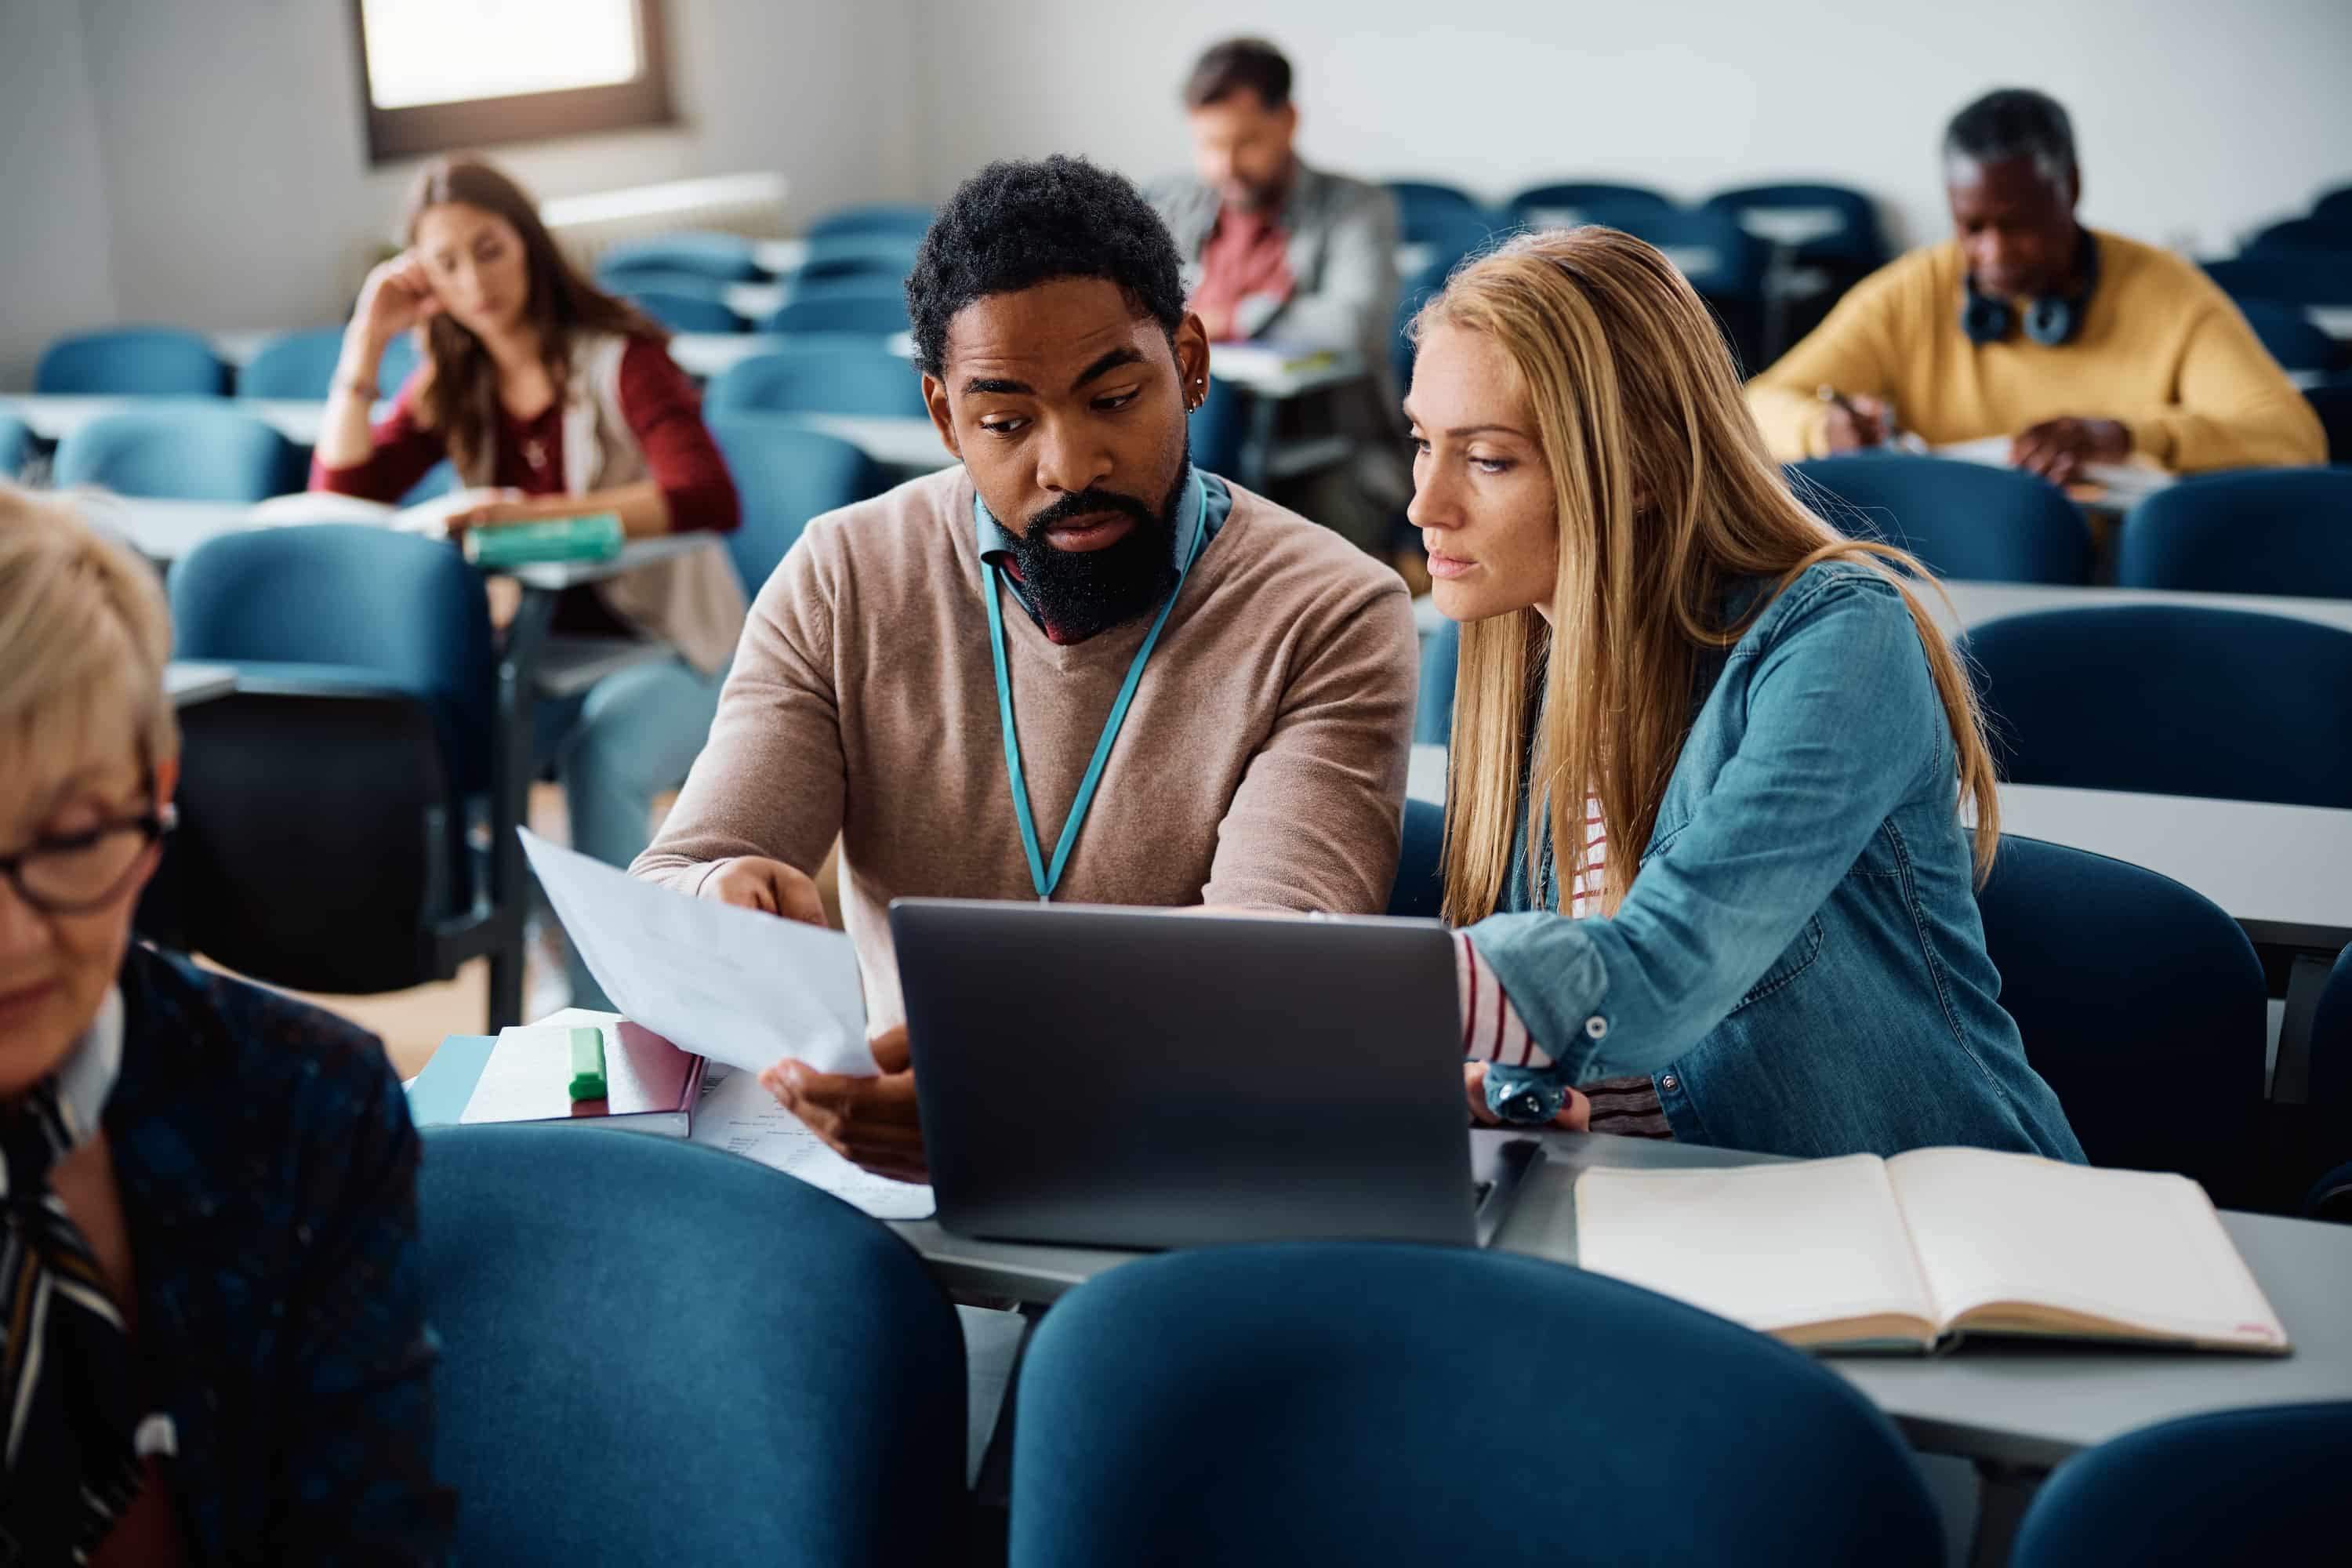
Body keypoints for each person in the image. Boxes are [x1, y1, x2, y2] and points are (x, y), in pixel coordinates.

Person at [633, 156, 1420, 1181]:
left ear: (1189, 360)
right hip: (895, 1155)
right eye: (1006, 422)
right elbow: (673, 881)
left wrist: (1010, 1088)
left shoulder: (1330, 610)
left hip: (1181, 1152)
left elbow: (1264, 971)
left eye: (1115, 397)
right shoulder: (844, 573)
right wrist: (718, 894)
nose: (1068, 464)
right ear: (945, 417)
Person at [1410, 228, 2082, 1162]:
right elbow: (1569, 1002)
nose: (1424, 504)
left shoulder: (1841, 639)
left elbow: (1661, 969)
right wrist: (1520, 1086)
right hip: (1688, 1205)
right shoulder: (1518, 644)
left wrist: (1359, 1000)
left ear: (1640, 467)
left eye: (1487, 459)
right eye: (1422, 443)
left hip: (1940, 1228)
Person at [0, 485, 452, 1561]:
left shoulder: (304, 1108)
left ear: (156, 802)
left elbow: (368, 1538)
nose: (11, 940)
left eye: (68, 841)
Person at [314, 154, 748, 1011]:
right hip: (555, 650)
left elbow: (707, 494)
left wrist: (531, 520)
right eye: (445, 263)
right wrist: (366, 341)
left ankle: (617, 1010)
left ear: (530, 245)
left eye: (489, 249)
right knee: (464, 750)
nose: (473, 279)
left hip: (682, 648)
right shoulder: (454, 376)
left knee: (602, 756)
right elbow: (344, 492)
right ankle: (569, 940)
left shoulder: (621, 357)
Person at [1747, 89, 2323, 480]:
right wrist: (1823, 429)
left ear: (2069, 188)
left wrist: (2126, 439)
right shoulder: (1911, 292)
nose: (1992, 253)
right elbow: (1750, 411)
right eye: (1972, 228)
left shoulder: (2171, 293)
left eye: (2018, 227)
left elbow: (2293, 439)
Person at [1152, 37, 1408, 552]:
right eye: (1209, 145)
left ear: (1288, 120)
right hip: (1188, 429)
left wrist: (1234, 318)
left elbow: (1352, 323)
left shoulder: (1355, 208)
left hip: (1326, 447)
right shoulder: (1173, 204)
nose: (1225, 165)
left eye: (1244, 142)